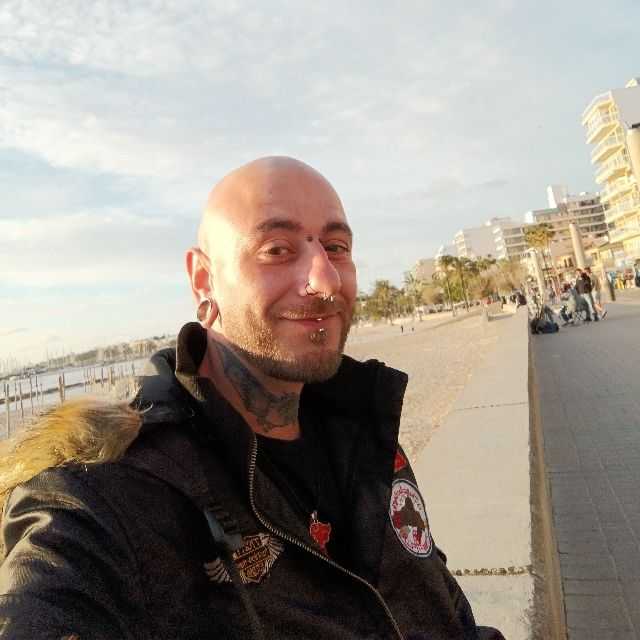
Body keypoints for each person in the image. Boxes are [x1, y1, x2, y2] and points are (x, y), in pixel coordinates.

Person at [0, 157, 504, 639]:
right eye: (277, 250)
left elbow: (441, 607)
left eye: (336, 247)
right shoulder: (109, 492)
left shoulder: (363, 426)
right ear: (204, 281)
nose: (326, 279)